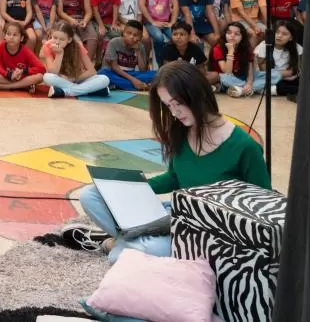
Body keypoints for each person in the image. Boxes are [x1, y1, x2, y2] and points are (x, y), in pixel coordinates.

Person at [65, 61, 270, 263]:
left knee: (122, 256)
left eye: (178, 103)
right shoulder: (182, 130)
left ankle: (115, 242)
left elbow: (264, 205)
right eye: (168, 106)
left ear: (198, 94)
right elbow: (174, 177)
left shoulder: (245, 146)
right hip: (174, 213)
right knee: (91, 194)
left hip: (207, 231)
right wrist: (133, 187)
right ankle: (131, 239)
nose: (174, 113)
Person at [41, 23, 110, 98]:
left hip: (77, 78)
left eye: (62, 39)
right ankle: (87, 90)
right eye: (54, 37)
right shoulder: (47, 46)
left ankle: (65, 92)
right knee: (47, 77)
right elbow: (53, 72)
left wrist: (73, 79)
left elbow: (92, 71)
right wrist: (59, 54)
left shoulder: (77, 46)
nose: (57, 42)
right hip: (61, 79)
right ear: (51, 35)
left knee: (104, 79)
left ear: (69, 39)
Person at [0, 21, 46, 92]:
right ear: (5, 36)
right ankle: (24, 86)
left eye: (15, 35)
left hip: (21, 77)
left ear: (21, 38)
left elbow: (42, 68)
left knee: (40, 77)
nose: (11, 37)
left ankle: (6, 86)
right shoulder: (1, 46)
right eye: (8, 34)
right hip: (5, 76)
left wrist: (23, 71)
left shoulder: (25, 50)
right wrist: (8, 74)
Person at [99, 20, 155, 91]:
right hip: (114, 73)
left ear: (140, 37)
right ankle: (140, 85)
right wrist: (133, 80)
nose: (131, 37)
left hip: (130, 74)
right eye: (129, 33)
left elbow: (143, 70)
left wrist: (137, 51)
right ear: (123, 33)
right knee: (103, 74)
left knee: (156, 74)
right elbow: (115, 67)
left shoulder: (140, 46)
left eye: (135, 35)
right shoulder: (114, 42)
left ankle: (119, 85)